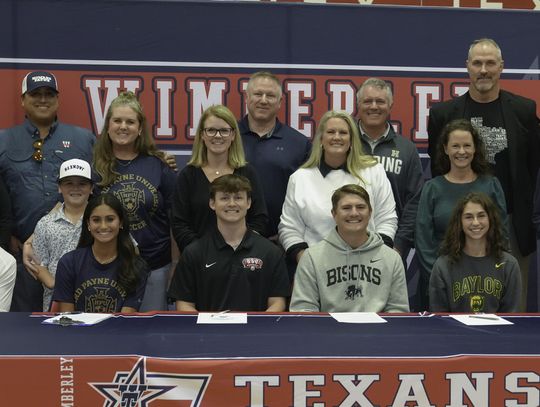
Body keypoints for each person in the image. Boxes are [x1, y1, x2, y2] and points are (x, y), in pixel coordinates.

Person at [427, 38, 540, 308]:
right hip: (459, 224)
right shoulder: (443, 113)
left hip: (510, 224)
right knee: (456, 306)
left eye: (490, 63)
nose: (484, 70)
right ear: (468, 67)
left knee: (512, 308)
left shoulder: (525, 111)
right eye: (477, 63)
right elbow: (438, 166)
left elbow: (532, 167)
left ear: (501, 67)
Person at [0, 71, 95, 311]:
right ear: (23, 99)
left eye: (49, 94)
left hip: (75, 255)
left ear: (58, 99)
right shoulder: (4, 140)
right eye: (35, 94)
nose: (43, 99)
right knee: (24, 330)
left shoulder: (83, 139)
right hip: (20, 257)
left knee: (76, 328)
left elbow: (99, 188)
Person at [279, 110, 397, 266]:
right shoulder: (300, 178)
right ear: (321, 138)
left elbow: (387, 218)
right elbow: (289, 227)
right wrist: (305, 260)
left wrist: (377, 256)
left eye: (343, 132)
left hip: (368, 264)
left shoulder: (374, 172)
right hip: (317, 267)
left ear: (352, 140)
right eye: (330, 132)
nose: (336, 137)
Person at [93, 92, 176, 311]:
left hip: (156, 267)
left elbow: (175, 218)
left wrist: (177, 264)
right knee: (111, 335)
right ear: (108, 126)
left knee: (151, 337)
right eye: (117, 120)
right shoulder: (94, 167)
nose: (123, 126)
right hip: (108, 267)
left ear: (140, 128)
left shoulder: (159, 166)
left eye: (130, 122)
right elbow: (72, 209)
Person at [416, 119, 508, 311]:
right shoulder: (432, 188)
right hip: (441, 282)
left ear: (475, 149)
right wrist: (441, 277)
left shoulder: (491, 185)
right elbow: (423, 240)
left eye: (467, 145)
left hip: (485, 281)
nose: (461, 151)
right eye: (455, 146)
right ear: (445, 149)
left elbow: (501, 234)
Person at [168, 174, 289, 312]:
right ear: (212, 203)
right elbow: (184, 305)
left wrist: (256, 329)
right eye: (224, 198)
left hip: (255, 332)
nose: (232, 203)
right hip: (208, 333)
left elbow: (277, 303)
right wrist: (206, 332)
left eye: (238, 197)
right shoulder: (193, 253)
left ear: (248, 203)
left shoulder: (271, 253)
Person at [290, 184, 409, 312]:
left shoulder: (392, 259)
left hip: (376, 331)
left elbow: (398, 311)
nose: (354, 213)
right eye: (346, 208)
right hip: (329, 331)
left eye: (360, 207)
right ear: (334, 214)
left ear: (370, 212)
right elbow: (303, 310)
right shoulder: (311, 258)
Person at [172, 105, 268, 251]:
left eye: (224, 131)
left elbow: (260, 219)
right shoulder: (188, 175)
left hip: (242, 258)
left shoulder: (247, 173)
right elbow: (179, 223)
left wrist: (239, 249)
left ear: (233, 135)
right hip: (200, 260)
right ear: (202, 135)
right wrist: (203, 252)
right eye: (211, 130)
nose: (217, 136)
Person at [356, 77, 424, 259]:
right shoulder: (345, 144)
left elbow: (414, 202)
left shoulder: (406, 149)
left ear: (390, 106)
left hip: (391, 246)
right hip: (344, 244)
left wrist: (399, 244)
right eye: (367, 101)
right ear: (358, 105)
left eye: (380, 101)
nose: (373, 106)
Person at [239, 71, 311, 239]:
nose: (263, 100)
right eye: (258, 94)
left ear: (280, 102)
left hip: (281, 241)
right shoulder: (228, 137)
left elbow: (308, 195)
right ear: (247, 98)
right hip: (232, 241)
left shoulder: (299, 144)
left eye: (270, 96)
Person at [52, 193, 148, 313]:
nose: (103, 226)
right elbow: (68, 319)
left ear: (121, 223)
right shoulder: (68, 263)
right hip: (78, 331)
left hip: (118, 330)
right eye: (96, 220)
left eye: (110, 219)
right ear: (88, 224)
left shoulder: (137, 266)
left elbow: (126, 320)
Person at [430, 192, 521, 312]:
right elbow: (439, 318)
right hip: (455, 331)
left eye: (481, 215)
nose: (476, 222)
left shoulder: (509, 265)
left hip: (497, 330)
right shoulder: (443, 266)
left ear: (490, 219)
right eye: (468, 217)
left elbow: (511, 316)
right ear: (460, 222)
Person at [30, 159, 93, 311]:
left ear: (91, 188)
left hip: (95, 297)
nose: (75, 188)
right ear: (59, 187)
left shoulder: (102, 220)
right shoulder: (45, 224)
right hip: (56, 301)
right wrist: (55, 285)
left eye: (82, 184)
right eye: (69, 183)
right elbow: (39, 263)